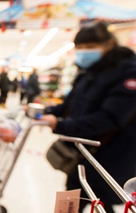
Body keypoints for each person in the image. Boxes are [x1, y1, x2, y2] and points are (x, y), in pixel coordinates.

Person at [40, 22, 136, 213]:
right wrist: (49, 111)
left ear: (109, 44)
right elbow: (69, 104)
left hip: (109, 158)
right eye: (80, 48)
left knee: (100, 202)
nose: (84, 52)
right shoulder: (86, 72)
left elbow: (110, 118)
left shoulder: (128, 73)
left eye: (90, 47)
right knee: (70, 198)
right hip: (79, 154)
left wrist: (60, 125)